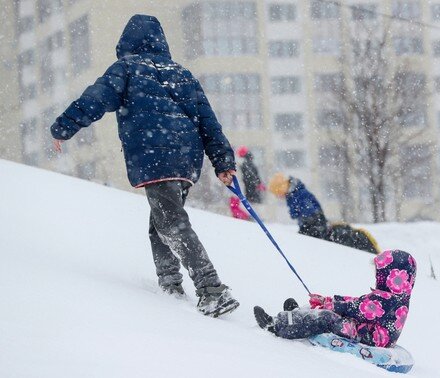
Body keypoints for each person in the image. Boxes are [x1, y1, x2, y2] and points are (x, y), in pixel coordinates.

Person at [50, 14, 239, 317]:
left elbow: (95, 99)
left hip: (155, 156)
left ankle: (211, 288)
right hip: (187, 160)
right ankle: (170, 286)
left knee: (171, 223)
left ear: (126, 43)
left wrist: (63, 127)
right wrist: (222, 162)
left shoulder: (127, 68)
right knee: (162, 223)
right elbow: (208, 122)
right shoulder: (182, 73)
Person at [254, 250, 416, 348]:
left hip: (367, 337)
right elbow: (358, 302)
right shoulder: (395, 297)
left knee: (327, 318)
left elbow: (355, 308)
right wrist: (328, 301)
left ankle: (277, 325)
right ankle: (297, 315)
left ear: (392, 276)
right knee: (330, 313)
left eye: (379, 273)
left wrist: (329, 305)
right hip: (367, 331)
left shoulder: (386, 300)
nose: (376, 276)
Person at [269, 173, 328, 239]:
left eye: (278, 193)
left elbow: (308, 211)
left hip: (315, 224)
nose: (278, 197)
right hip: (308, 223)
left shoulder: (299, 194)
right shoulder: (292, 195)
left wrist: (305, 226)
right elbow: (296, 211)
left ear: (282, 188)